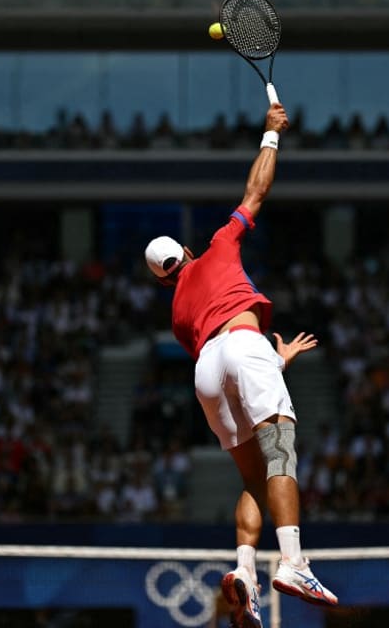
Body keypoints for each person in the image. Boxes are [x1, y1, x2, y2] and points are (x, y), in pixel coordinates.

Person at [144, 102, 338, 628]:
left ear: (164, 278)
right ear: (185, 251)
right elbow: (257, 190)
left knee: (253, 479)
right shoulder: (218, 245)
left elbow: (225, 366)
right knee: (280, 453)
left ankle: (246, 572)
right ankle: (294, 563)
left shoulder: (178, 313)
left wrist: (277, 361)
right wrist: (271, 136)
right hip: (242, 344)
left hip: (208, 364)